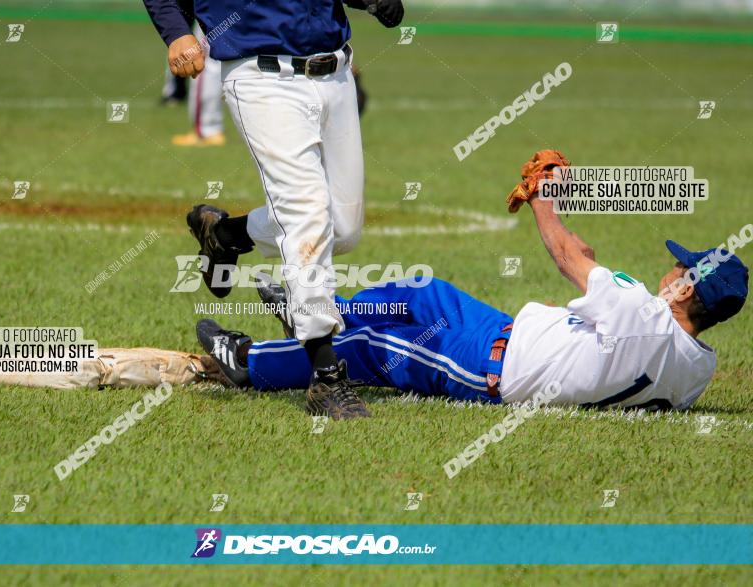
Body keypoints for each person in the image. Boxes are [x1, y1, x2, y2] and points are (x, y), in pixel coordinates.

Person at [195, 153, 749, 415]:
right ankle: (321, 311)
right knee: (420, 291)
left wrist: (543, 195)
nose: (673, 267)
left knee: (369, 350)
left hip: (492, 368)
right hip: (502, 331)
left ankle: (247, 360)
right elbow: (589, 266)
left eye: (682, 267)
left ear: (685, 290)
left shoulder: (638, 310)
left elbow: (564, 253)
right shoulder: (696, 366)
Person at [143, 0, 404, 419]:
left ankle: (225, 236)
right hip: (262, 77)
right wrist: (176, 30)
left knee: (344, 228)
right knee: (307, 214)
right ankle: (326, 377)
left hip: (335, 73)